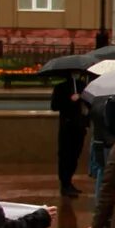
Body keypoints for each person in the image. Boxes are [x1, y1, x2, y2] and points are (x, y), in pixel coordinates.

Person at [50, 67, 89, 197]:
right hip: (67, 127)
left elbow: (89, 104)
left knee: (75, 155)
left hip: (79, 126)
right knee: (65, 156)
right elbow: (54, 106)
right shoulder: (60, 88)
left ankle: (69, 181)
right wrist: (69, 100)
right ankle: (65, 184)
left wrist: (82, 98)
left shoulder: (82, 86)